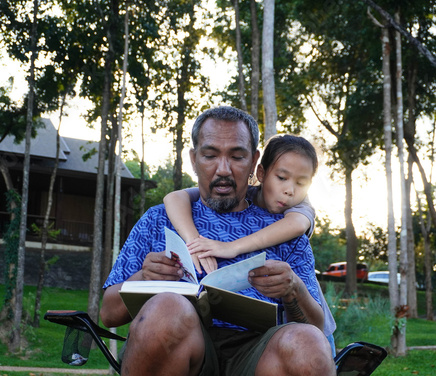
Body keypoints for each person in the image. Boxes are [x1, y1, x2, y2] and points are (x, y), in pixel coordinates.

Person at [100, 106, 335, 376]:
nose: (223, 170)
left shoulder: (285, 230)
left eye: (236, 157)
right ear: (194, 159)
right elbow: (109, 314)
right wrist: (144, 277)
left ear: (254, 163)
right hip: (182, 345)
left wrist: (294, 290)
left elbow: (316, 329)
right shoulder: (160, 219)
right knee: (167, 308)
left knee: (307, 343)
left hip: (260, 355)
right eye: (210, 156)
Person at [163, 134, 337, 355]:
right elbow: (174, 198)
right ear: (262, 173)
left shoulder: (300, 207)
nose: (290, 190)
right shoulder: (243, 194)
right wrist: (193, 241)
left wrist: (231, 247)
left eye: (301, 183)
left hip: (314, 330)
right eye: (282, 178)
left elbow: (297, 225)